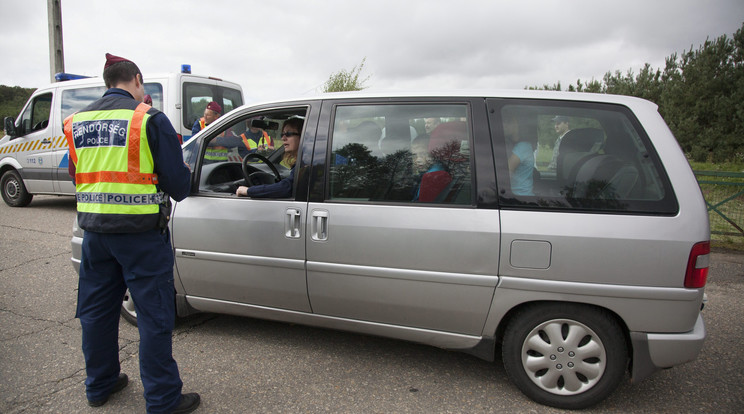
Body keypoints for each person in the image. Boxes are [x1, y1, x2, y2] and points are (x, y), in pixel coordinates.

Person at [63, 53, 200, 414]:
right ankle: (162, 399)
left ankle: (100, 384)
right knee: (154, 316)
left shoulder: (76, 121)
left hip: (94, 233)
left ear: (108, 81)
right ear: (136, 80)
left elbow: (76, 176)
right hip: (140, 236)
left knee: (95, 313)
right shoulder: (148, 119)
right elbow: (178, 185)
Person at [236, 117, 303, 198]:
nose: (283, 138)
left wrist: (248, 191)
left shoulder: (305, 163)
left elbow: (286, 188)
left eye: (288, 134)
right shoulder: (304, 161)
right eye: (282, 134)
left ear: (303, 135)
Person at [411, 135, 451, 202]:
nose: (418, 160)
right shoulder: (429, 170)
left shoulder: (433, 176)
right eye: (414, 155)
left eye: (423, 154)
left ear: (432, 154)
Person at [504, 113, 534, 196]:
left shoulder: (523, 147)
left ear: (518, 125)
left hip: (520, 198)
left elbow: (506, 174)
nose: (504, 125)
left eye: (509, 121)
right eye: (504, 121)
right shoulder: (513, 145)